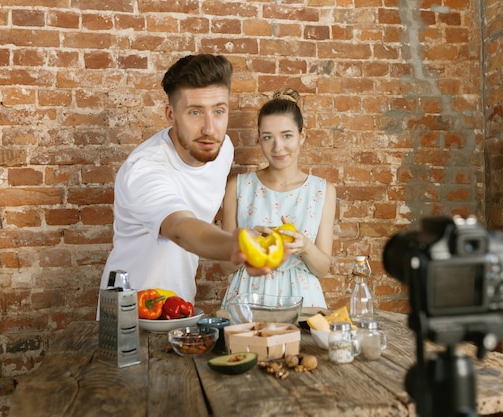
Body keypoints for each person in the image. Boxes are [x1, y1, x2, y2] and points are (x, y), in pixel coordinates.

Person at [99, 54, 277, 306]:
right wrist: (238, 246)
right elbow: (181, 228)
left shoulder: (222, 148)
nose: (209, 128)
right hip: (130, 312)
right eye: (195, 112)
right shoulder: (144, 170)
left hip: (181, 306)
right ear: (170, 114)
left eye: (218, 111)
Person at [220, 88, 337, 309]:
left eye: (287, 135)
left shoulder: (322, 190)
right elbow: (226, 267)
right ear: (259, 139)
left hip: (303, 303)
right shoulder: (238, 187)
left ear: (302, 136)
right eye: (267, 137)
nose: (278, 147)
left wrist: (305, 247)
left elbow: (322, 269)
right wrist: (245, 244)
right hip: (247, 300)